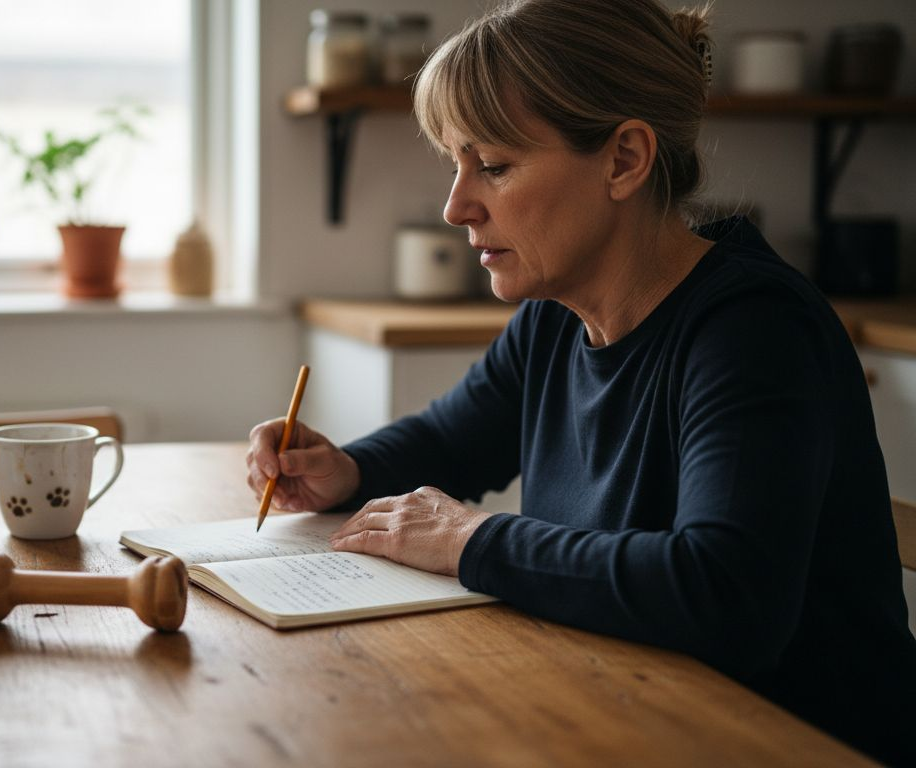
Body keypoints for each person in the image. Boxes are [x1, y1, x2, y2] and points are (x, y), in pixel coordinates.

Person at [245, 0, 916, 763]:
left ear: (625, 160)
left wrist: (475, 539)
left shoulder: (752, 331)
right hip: (625, 712)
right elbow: (451, 441)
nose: (456, 205)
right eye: (456, 165)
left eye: (493, 166)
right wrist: (345, 469)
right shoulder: (558, 314)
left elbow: (727, 596)